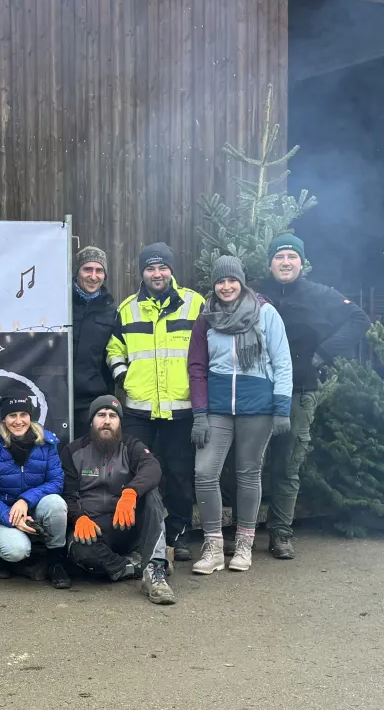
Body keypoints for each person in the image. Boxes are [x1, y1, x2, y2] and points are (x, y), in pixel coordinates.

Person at [253, 234, 370, 559]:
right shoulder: (254, 293)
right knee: (247, 466)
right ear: (270, 263)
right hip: (256, 393)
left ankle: (280, 533)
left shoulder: (320, 295)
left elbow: (359, 319)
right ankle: (244, 531)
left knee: (288, 465)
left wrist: (322, 354)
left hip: (299, 392)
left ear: (301, 263)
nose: (286, 262)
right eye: (279, 257)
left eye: (292, 256)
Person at [188, 255, 293, 574]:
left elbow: (283, 361)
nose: (226, 286)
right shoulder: (206, 316)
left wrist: (281, 408)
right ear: (214, 285)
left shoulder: (266, 313)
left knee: (248, 473)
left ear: (241, 281)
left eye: (232, 280)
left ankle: (245, 544)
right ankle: (213, 547)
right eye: (220, 281)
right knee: (204, 473)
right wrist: (199, 414)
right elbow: (196, 367)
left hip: (257, 406)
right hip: (217, 407)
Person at [105, 242, 208, 559]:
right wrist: (126, 379)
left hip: (181, 407)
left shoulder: (195, 304)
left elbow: (209, 349)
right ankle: (137, 535)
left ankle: (178, 534)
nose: (157, 273)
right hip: (140, 409)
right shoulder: (127, 308)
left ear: (171, 270)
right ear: (142, 273)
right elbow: (113, 350)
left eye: (162, 267)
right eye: (150, 268)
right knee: (137, 472)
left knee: (179, 473)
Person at [61, 395, 176, 605]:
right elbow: (67, 494)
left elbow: (152, 468)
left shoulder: (131, 446)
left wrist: (130, 493)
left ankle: (156, 569)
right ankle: (132, 566)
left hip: (126, 525)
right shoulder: (73, 451)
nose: (107, 421)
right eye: (101, 415)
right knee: (80, 552)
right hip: (93, 529)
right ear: (91, 421)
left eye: (113, 416)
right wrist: (78, 518)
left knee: (151, 494)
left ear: (120, 422)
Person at [0, 395, 71, 589]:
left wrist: (25, 500)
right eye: (12, 415)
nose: (18, 421)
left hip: (32, 508)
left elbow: (56, 482)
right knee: (17, 550)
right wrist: (11, 517)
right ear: (3, 419)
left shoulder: (47, 442)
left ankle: (56, 562)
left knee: (56, 503)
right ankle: (3, 558)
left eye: (23, 414)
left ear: (30, 417)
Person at [71, 246, 120, 433]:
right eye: (87, 269)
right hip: (57, 394)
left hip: (93, 400)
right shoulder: (61, 302)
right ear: (77, 272)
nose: (93, 276)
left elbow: (113, 353)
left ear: (105, 275)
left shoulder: (112, 310)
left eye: (99, 270)